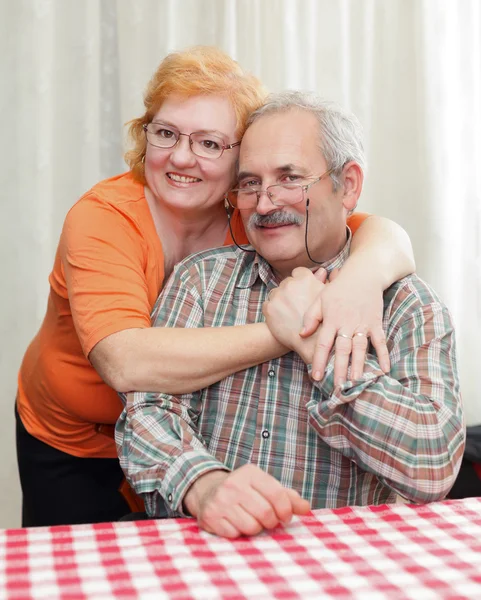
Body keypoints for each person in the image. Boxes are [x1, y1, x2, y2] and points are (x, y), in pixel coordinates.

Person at [16, 47, 415, 528]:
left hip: (174, 437)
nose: (181, 156)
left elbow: (383, 235)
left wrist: (361, 278)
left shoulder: (255, 214)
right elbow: (124, 361)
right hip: (73, 436)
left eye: (209, 143)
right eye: (166, 133)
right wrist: (285, 331)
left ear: (241, 156)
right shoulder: (102, 216)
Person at [117, 91, 465, 538]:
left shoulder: (408, 306)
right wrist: (202, 485)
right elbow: (147, 410)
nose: (264, 204)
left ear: (349, 185)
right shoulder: (198, 282)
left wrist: (311, 340)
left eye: (289, 178)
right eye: (250, 184)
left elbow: (433, 466)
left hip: (343, 563)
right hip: (205, 549)